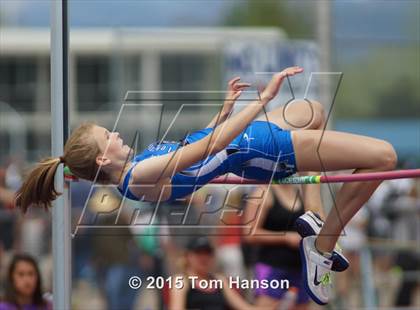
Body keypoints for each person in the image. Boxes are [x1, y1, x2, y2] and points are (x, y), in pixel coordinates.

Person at [15, 66, 398, 305]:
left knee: (312, 110)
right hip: (262, 150)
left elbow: (202, 141)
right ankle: (323, 243)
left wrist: (226, 108)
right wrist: (259, 101)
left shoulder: (136, 166)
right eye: (107, 136)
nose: (115, 133)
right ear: (102, 159)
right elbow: (210, 148)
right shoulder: (139, 176)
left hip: (248, 136)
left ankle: (313, 219)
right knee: (384, 158)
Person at [243, 185, 310, 309]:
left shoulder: (301, 192)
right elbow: (249, 234)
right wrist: (285, 238)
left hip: (300, 266)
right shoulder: (264, 192)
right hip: (271, 266)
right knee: (266, 306)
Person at [169, 237, 273, 310]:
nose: (204, 257)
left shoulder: (219, 280)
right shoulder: (181, 280)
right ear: (188, 256)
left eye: (207, 252)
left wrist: (277, 307)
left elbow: (245, 308)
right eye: (198, 253)